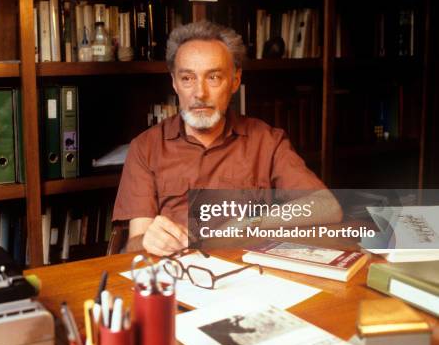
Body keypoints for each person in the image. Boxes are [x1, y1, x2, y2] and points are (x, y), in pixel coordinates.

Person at [112, 21, 342, 255]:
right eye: (187, 78)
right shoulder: (145, 147)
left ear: (235, 80)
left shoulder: (267, 141)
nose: (199, 93)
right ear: (174, 82)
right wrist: (148, 242)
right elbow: (133, 246)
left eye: (213, 77)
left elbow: (327, 206)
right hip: (179, 277)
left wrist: (248, 224)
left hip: (250, 275)